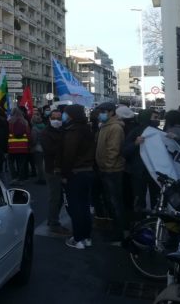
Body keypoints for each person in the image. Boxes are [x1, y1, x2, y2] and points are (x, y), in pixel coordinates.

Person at [59, 104, 96, 249]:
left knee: (75, 207)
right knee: (85, 206)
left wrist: (64, 174)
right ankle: (86, 237)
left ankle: (78, 238)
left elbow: (69, 155)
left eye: (65, 114)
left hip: (75, 173)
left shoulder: (72, 132)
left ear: (71, 116)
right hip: (88, 172)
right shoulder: (87, 130)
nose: (63, 116)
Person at [94, 102, 126, 243]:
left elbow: (113, 150)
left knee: (115, 202)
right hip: (105, 169)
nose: (100, 114)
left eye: (103, 111)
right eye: (100, 111)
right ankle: (114, 228)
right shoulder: (104, 126)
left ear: (111, 112)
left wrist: (107, 166)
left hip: (112, 170)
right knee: (110, 201)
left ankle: (119, 232)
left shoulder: (115, 128)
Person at [122, 109, 160, 214]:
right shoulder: (135, 132)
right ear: (147, 118)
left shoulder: (159, 133)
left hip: (155, 173)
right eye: (155, 118)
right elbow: (124, 151)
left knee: (156, 200)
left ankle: (155, 222)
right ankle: (140, 222)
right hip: (138, 172)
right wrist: (135, 144)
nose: (158, 120)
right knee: (139, 200)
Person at [41, 109, 69, 235]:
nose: (57, 121)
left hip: (61, 167)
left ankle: (52, 220)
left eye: (59, 118)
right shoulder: (46, 132)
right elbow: (49, 150)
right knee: (55, 197)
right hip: (52, 168)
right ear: (50, 119)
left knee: (59, 198)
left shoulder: (63, 130)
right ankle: (53, 223)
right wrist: (64, 145)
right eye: (54, 118)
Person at [8, 107, 31, 184]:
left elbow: (6, 133)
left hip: (12, 146)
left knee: (11, 162)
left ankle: (14, 177)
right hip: (23, 146)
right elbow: (28, 134)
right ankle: (21, 179)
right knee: (21, 163)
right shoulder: (25, 122)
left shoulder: (10, 121)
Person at [30, 114, 47, 184]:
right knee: (43, 164)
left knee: (39, 165)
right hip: (44, 147)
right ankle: (44, 177)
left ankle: (41, 179)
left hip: (37, 148)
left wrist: (31, 146)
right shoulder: (44, 127)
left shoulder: (34, 128)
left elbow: (33, 140)